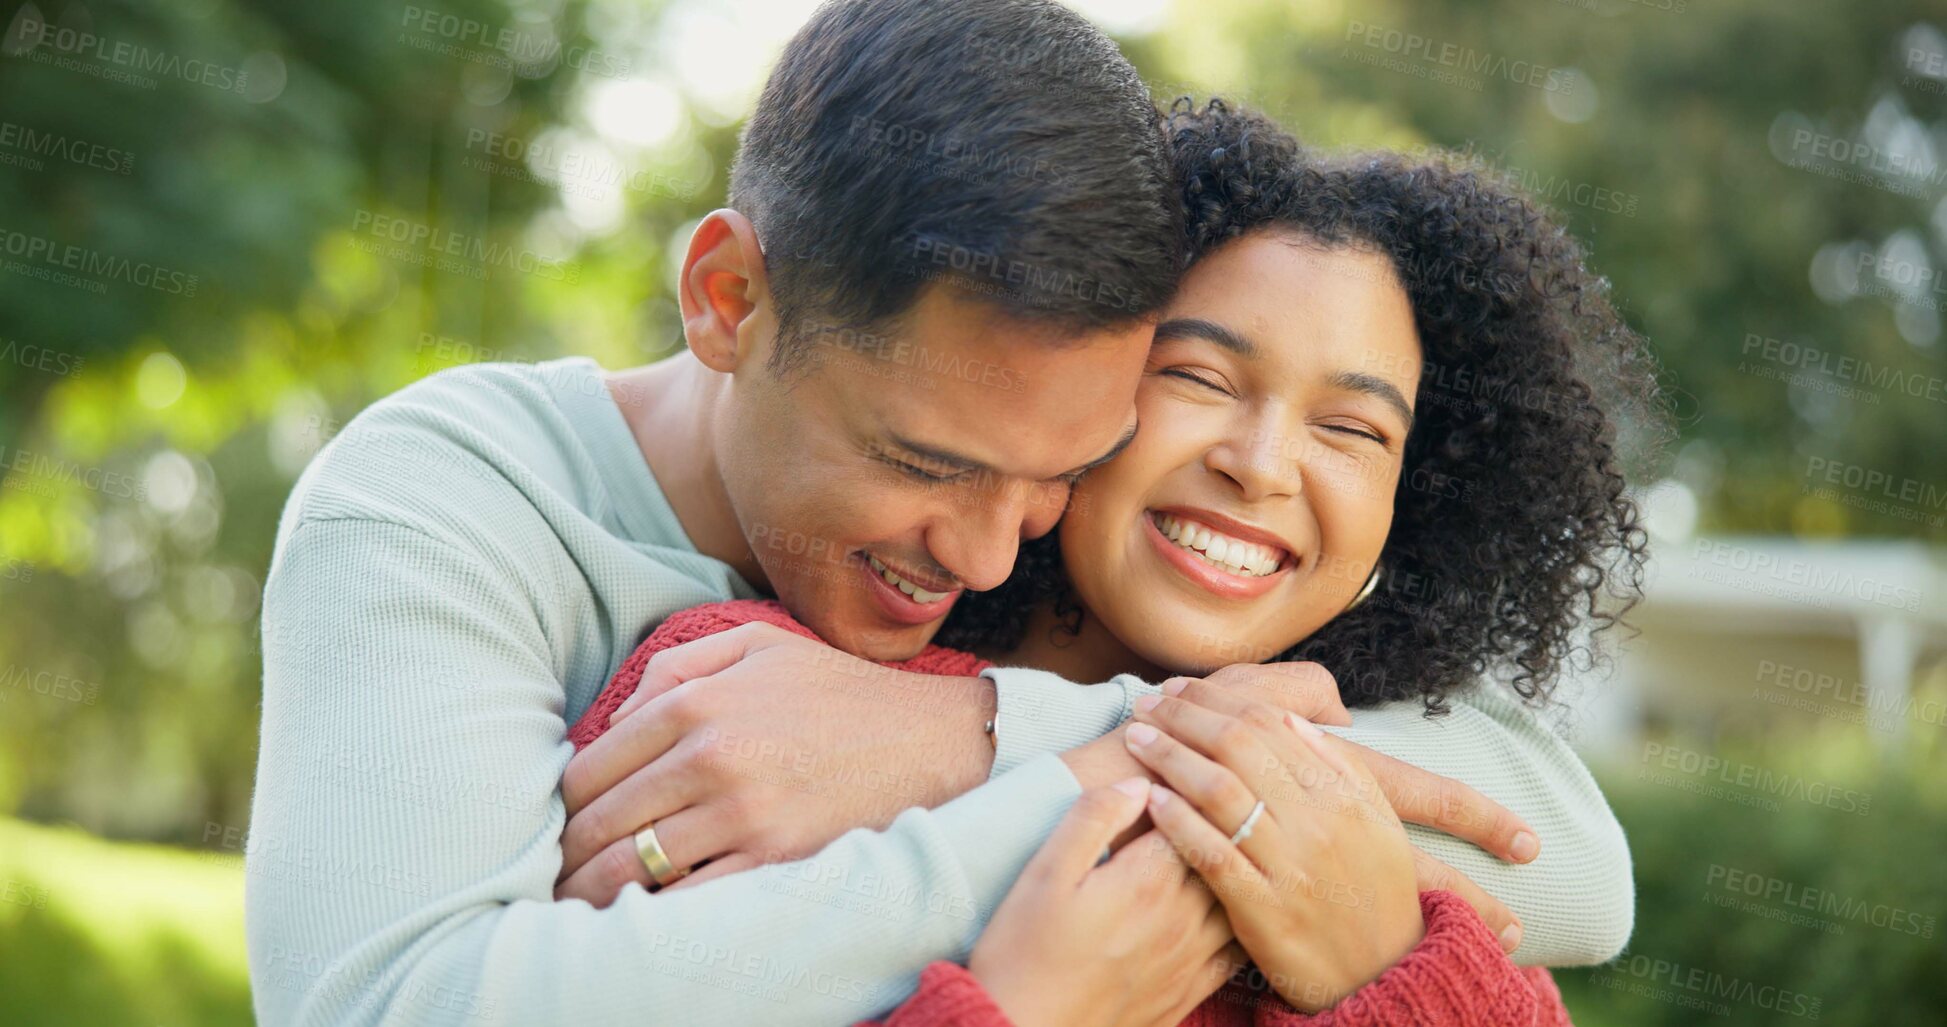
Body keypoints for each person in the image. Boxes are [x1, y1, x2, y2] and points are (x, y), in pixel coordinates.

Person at [247, 4, 1624, 1026]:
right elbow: (398, 1005)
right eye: (925, 463)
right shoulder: (455, 503)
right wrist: (1054, 888)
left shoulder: (1075, 610)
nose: (980, 552)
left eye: (1053, 473)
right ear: (727, 299)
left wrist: (969, 738)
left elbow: (1564, 858)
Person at [566, 100, 1661, 1025]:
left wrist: (1386, 971)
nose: (1263, 464)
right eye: (1201, 377)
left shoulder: (1399, 860)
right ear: (1075, 385)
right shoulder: (751, 696)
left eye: (1354, 430)